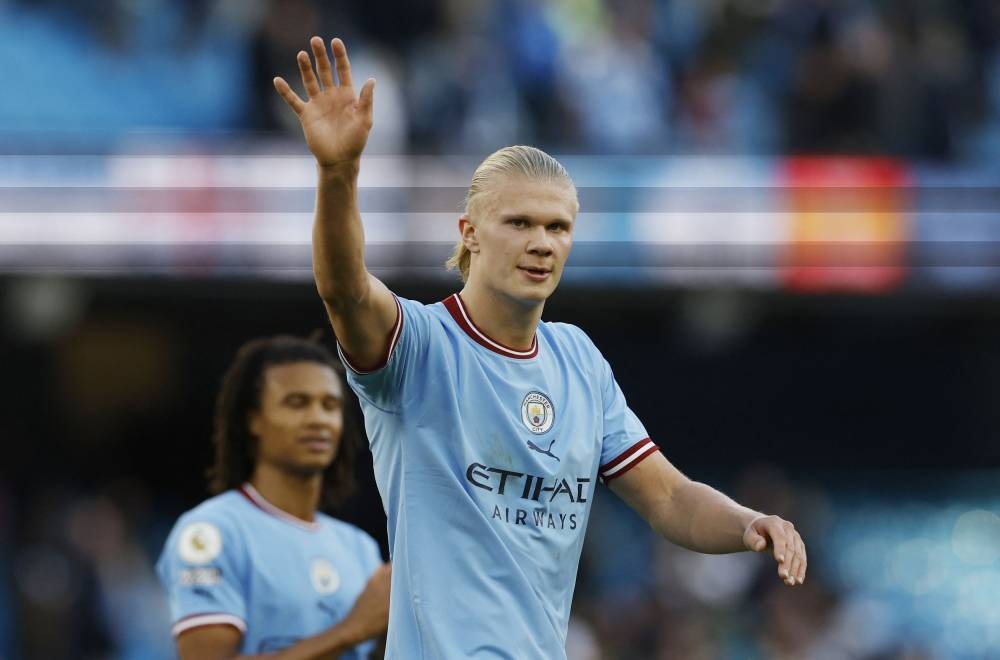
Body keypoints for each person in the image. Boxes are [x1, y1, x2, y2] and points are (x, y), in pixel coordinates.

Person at [273, 37, 808, 659]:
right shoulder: (418, 346)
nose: (542, 243)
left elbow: (668, 496)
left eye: (557, 227)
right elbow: (343, 289)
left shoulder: (578, 360)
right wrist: (338, 176)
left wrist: (748, 524)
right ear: (470, 233)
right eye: (520, 223)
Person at [156, 335, 390, 659]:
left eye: (330, 405)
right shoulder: (211, 532)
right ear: (253, 420)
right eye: (297, 402)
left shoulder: (358, 547)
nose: (318, 419)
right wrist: (350, 630)